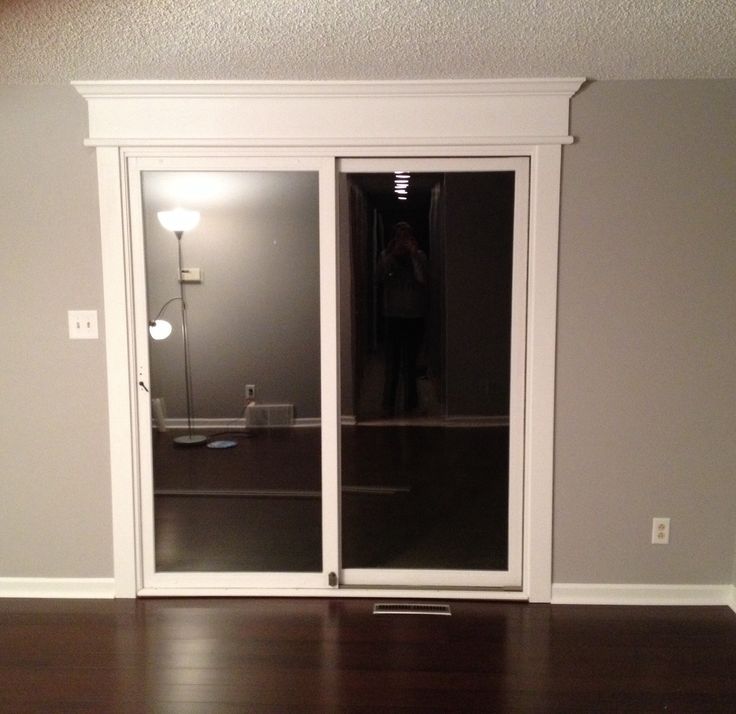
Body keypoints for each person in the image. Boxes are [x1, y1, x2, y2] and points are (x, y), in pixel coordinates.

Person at [376, 222, 428, 416]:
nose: (403, 241)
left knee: (411, 362)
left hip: (414, 316)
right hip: (392, 316)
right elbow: (379, 278)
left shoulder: (420, 256)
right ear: (394, 238)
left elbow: (423, 280)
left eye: (406, 237)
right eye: (399, 237)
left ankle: (411, 404)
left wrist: (413, 256)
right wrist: (389, 255)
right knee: (392, 362)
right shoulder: (386, 256)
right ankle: (388, 405)